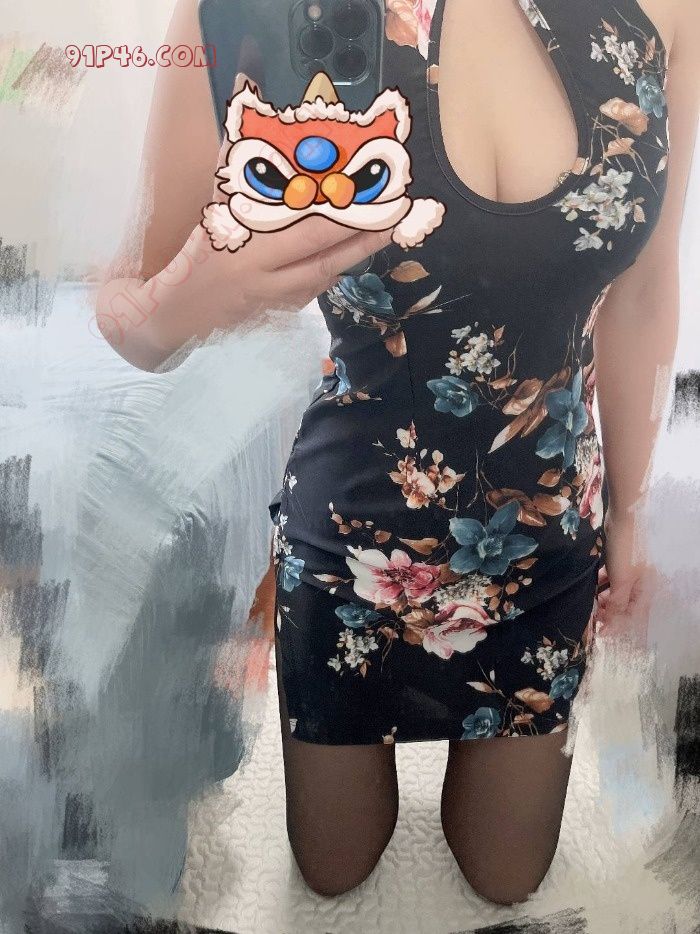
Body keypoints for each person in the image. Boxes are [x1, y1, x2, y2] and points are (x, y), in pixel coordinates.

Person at [95, 0, 699, 907]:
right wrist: (195, 296)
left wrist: (631, 512)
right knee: (333, 868)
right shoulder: (242, 10)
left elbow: (647, 289)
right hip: (352, 536)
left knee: (506, 878)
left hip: (544, 544)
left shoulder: (670, 11)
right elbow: (131, 311)